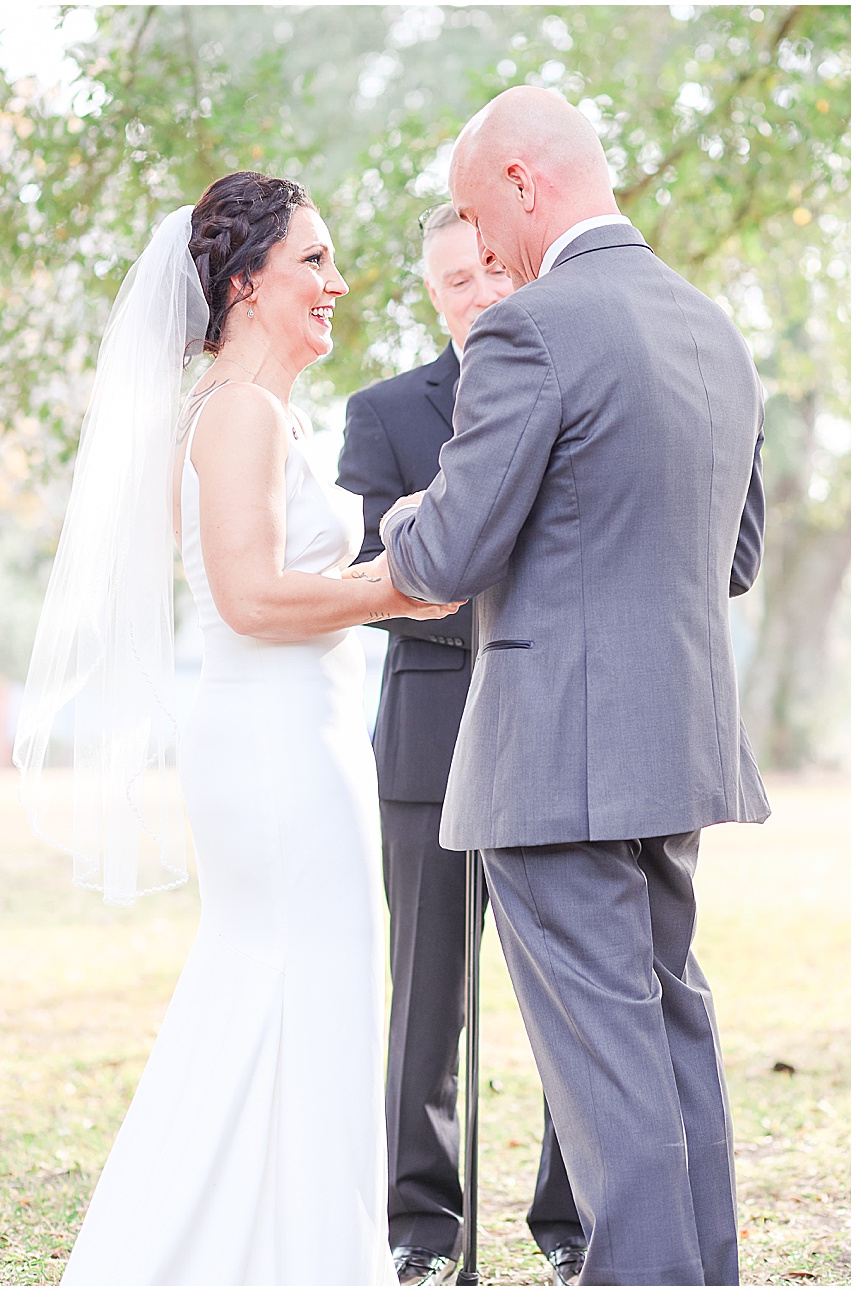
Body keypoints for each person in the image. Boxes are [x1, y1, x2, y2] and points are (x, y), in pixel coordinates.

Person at [14, 172, 462, 1286]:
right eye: (313, 260)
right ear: (247, 279)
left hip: (289, 741)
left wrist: (382, 565)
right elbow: (254, 597)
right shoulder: (239, 415)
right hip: (272, 755)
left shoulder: (255, 413)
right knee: (298, 994)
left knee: (295, 999)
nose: (337, 283)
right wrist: (394, 584)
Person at [377, 87, 769, 1286]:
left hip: (553, 763)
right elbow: (735, 555)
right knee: (671, 1037)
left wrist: (403, 513)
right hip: (678, 743)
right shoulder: (714, 330)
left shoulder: (527, 329)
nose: (482, 254)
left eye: (478, 218)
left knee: (608, 1086)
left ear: (522, 183)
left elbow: (443, 557)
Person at [338, 203, 587, 1287]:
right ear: (431, 296)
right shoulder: (385, 412)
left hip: (558, 739)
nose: (477, 294)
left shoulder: (576, 380)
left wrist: (444, 547)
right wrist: (491, 570)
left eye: (490, 271)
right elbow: (364, 583)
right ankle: (422, 1230)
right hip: (431, 747)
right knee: (425, 998)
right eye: (454, 282)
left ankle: (574, 1223)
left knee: (575, 994)